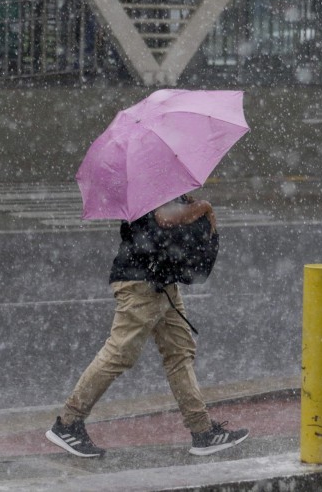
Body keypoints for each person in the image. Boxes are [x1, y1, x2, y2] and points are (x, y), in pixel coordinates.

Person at [45, 194, 249, 457]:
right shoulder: (151, 184)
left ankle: (202, 431)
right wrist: (203, 208)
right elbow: (164, 217)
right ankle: (69, 423)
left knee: (179, 352)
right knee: (119, 354)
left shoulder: (160, 181)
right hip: (142, 285)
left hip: (162, 282)